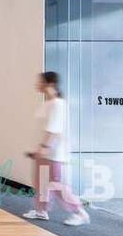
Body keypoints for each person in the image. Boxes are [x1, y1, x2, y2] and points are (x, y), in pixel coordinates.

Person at [23, 72, 90, 226]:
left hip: (55, 153)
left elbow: (54, 129)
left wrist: (45, 146)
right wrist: (36, 149)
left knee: (57, 185)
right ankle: (41, 211)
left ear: (50, 83)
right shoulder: (47, 103)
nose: (37, 84)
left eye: (40, 81)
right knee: (40, 183)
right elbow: (41, 128)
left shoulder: (58, 104)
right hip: (42, 152)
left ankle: (80, 212)